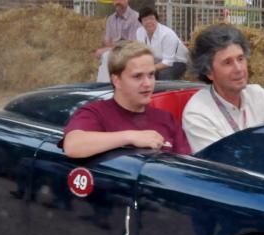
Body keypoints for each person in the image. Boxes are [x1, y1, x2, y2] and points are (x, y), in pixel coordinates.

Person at [62, 41, 190, 157]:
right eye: (137, 76)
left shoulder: (167, 119)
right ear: (116, 80)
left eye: (151, 75)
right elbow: (73, 145)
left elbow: (186, 168)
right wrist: (130, 137)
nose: (147, 83)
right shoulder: (96, 113)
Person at [182, 24, 264, 153]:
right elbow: (221, 163)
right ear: (208, 72)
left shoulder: (258, 94)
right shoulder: (198, 113)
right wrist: (263, 131)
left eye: (240, 59)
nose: (239, 68)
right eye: (227, 62)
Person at [94, 0, 140, 81]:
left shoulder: (135, 18)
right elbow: (107, 41)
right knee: (104, 55)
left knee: (106, 56)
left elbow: (132, 44)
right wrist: (114, 46)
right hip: (115, 51)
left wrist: (112, 47)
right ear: (112, 1)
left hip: (130, 53)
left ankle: (104, 87)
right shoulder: (110, 19)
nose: (118, 2)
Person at [136, 7, 188, 80]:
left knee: (163, 74)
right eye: (145, 20)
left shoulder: (167, 34)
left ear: (156, 19)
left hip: (176, 62)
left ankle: (167, 91)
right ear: (141, 22)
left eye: (151, 18)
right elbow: (141, 54)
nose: (148, 22)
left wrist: (149, 69)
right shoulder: (139, 32)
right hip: (157, 62)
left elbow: (168, 62)